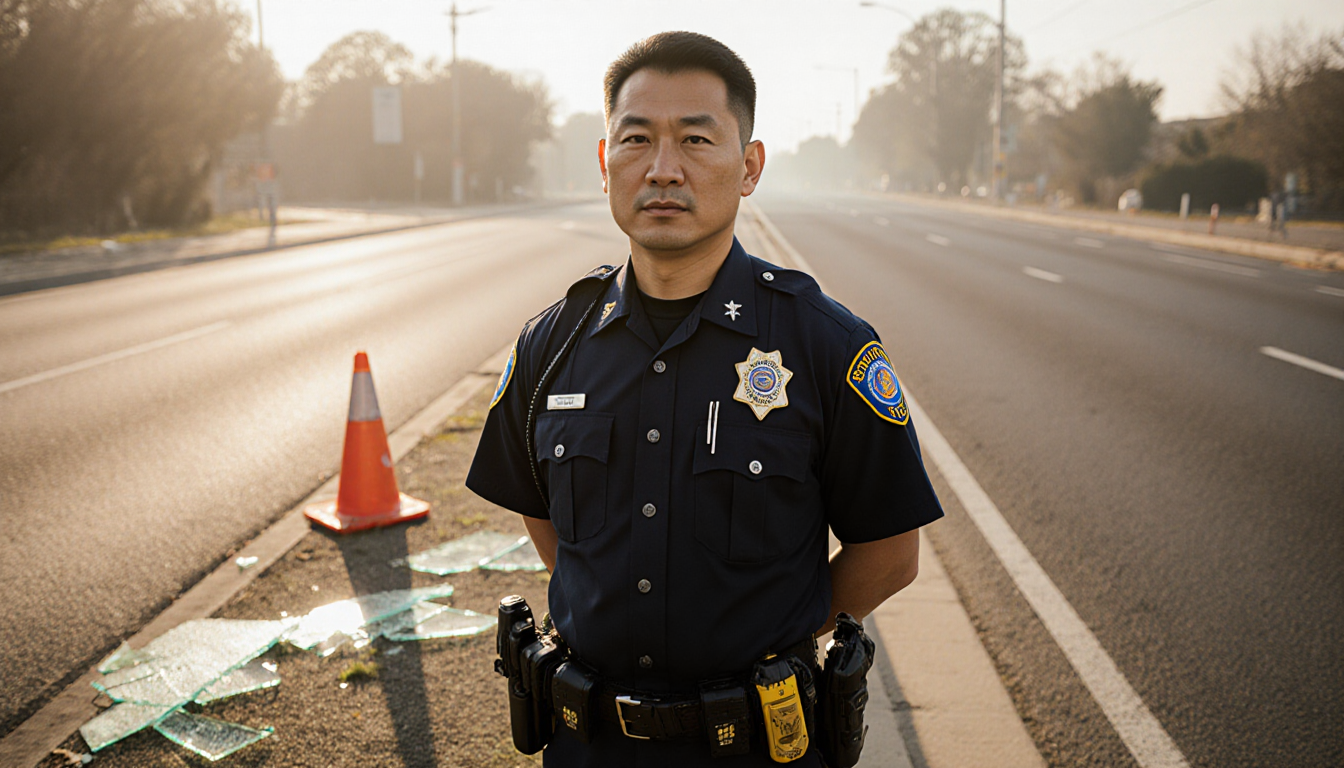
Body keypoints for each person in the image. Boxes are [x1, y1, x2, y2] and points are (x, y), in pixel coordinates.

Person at [467, 31, 943, 767]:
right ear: (604, 163)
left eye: (695, 140)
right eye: (636, 140)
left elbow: (888, 552)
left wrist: (776, 637)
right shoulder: (552, 345)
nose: (663, 170)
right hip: (587, 746)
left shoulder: (825, 346)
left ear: (748, 166)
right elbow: (540, 506)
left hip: (759, 748)